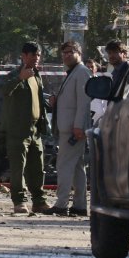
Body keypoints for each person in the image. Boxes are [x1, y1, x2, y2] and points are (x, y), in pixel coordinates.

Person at [0, 42, 52, 215]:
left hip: (35, 129)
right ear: (23, 56)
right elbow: (2, 90)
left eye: (38, 55)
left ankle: (39, 201)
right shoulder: (15, 74)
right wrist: (19, 78)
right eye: (32, 55)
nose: (36, 58)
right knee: (18, 168)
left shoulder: (36, 76)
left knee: (37, 168)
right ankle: (19, 201)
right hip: (18, 130)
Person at [46, 41, 92, 217]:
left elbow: (84, 102)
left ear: (79, 53)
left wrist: (79, 126)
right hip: (69, 128)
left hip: (73, 129)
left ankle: (61, 204)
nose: (66, 55)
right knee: (78, 167)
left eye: (70, 52)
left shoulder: (82, 72)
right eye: (63, 52)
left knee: (64, 165)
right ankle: (79, 205)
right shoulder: (73, 73)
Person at [85, 58, 108, 123]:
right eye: (87, 67)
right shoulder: (80, 83)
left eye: (92, 66)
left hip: (98, 118)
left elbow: (105, 102)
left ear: (96, 68)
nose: (90, 69)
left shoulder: (102, 83)